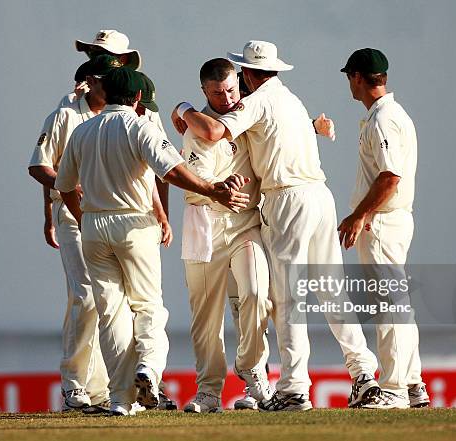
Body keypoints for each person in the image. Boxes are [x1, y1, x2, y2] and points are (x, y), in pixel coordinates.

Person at [172, 40, 392, 411]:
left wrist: (183, 108)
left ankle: (293, 389)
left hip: (287, 200)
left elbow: (211, 133)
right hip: (319, 196)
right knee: (331, 289)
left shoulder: (255, 101)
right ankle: (364, 375)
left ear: (249, 74)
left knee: (288, 299)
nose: (237, 85)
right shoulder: (291, 98)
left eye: (241, 76)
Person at [55, 66, 250, 416]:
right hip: (134, 225)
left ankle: (119, 399)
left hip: (94, 227)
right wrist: (212, 191)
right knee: (148, 306)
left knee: (111, 312)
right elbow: (172, 172)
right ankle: (148, 368)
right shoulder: (141, 126)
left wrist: (84, 219)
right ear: (138, 98)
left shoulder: (82, 131)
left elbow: (65, 186)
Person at [179, 58, 273, 413]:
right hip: (204, 225)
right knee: (206, 314)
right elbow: (193, 183)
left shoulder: (246, 114)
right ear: (204, 91)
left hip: (244, 224)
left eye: (232, 89)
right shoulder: (195, 130)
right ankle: (208, 392)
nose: (226, 97)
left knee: (255, 292)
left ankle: (252, 371)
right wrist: (219, 187)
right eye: (217, 93)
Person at [337, 48, 429, 408]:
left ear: (358, 77)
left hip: (383, 221)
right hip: (391, 218)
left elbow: (390, 177)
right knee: (398, 303)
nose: (349, 83)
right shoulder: (389, 115)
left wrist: (359, 215)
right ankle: (412, 384)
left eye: (349, 76)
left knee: (389, 304)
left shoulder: (384, 119)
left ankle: (392, 388)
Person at [28, 56, 120, 413]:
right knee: (85, 296)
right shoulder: (65, 114)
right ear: (92, 82)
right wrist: (54, 210)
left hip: (110, 217)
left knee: (107, 300)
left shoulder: (118, 114)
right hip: (72, 213)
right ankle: (73, 384)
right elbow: (41, 165)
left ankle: (99, 390)